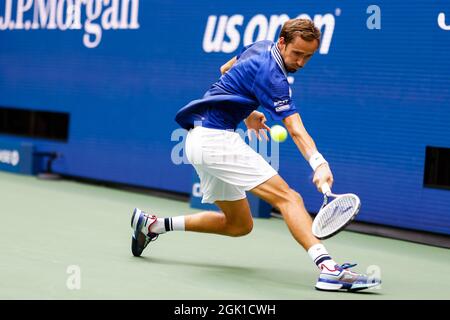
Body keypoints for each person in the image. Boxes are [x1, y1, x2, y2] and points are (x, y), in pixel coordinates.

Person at [130, 19, 381, 292]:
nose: (301, 62)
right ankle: (328, 269)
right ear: (282, 42)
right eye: (297, 54)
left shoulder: (260, 46)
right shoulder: (274, 76)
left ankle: (152, 225)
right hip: (215, 141)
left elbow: (226, 68)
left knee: (239, 224)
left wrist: (247, 113)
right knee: (289, 198)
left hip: (198, 139)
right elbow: (295, 129)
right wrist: (319, 163)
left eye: (308, 56)